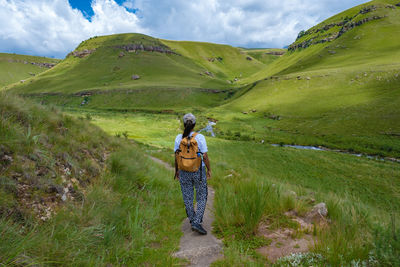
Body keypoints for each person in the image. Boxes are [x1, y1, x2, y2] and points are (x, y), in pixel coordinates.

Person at [174, 113, 211, 235]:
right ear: (194, 124)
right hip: (198, 171)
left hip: (184, 171)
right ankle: (197, 221)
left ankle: (192, 220)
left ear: (184, 124)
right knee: (202, 195)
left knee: (187, 196)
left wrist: (176, 171)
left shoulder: (178, 138)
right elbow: (204, 156)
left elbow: (176, 156)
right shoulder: (200, 138)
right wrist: (209, 169)